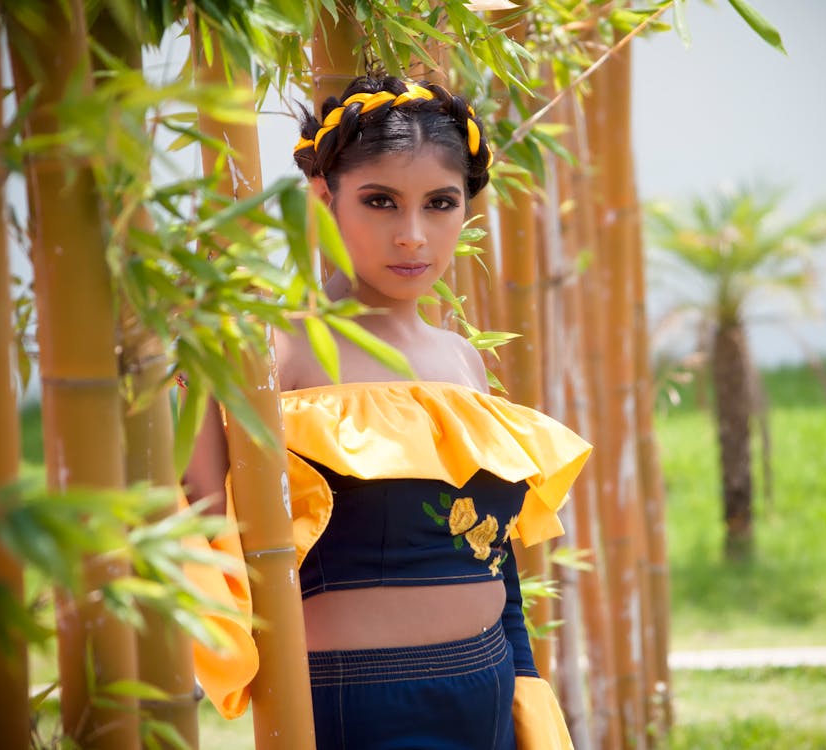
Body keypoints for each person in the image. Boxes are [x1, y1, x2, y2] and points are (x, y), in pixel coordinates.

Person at [184, 75, 591, 750]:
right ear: (324, 200)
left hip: (485, 686)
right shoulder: (270, 350)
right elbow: (199, 524)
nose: (412, 235)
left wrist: (523, 680)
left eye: (439, 203)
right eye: (380, 202)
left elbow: (496, 556)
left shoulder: (464, 361)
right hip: (350, 698)